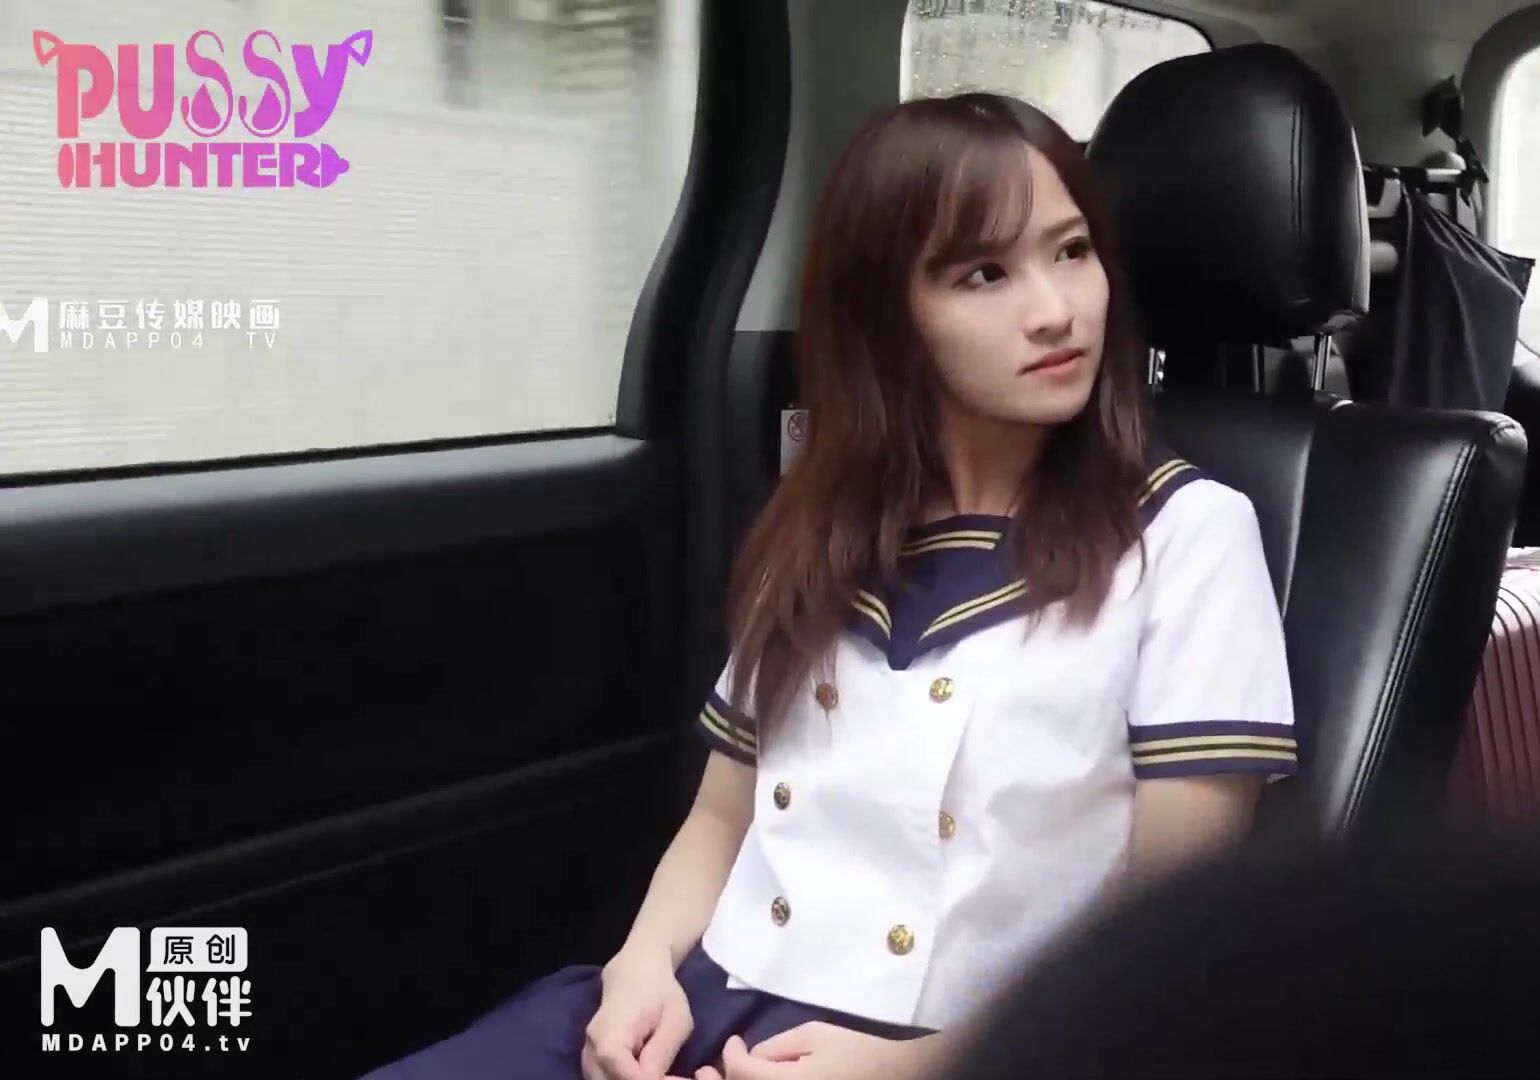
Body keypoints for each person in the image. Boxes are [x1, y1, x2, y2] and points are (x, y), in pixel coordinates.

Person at [359, 91, 1297, 1080]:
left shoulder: (1186, 534)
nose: (1055, 309)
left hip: (975, 1052)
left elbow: (1166, 920)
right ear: (888, 318)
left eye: (1071, 251)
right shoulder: (821, 526)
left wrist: (911, 1070)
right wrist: (640, 969)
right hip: (709, 994)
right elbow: (723, 818)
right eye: (984, 273)